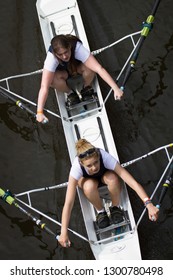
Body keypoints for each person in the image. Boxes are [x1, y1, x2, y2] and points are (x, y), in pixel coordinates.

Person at [58, 139, 159, 248]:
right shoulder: (76, 168)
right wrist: (64, 232)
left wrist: (148, 204)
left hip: (104, 176)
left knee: (113, 179)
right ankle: (100, 212)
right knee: (89, 186)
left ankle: (115, 208)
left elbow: (132, 182)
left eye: (96, 162)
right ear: (82, 163)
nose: (94, 167)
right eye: (89, 165)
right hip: (87, 181)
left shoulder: (104, 156)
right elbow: (68, 203)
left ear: (98, 156)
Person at [36, 34, 123, 123]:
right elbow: (44, 87)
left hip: (78, 68)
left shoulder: (77, 47)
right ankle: (70, 93)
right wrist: (39, 112)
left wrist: (115, 88)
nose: (64, 57)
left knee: (91, 67)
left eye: (66, 52)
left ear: (69, 47)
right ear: (55, 54)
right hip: (64, 74)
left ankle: (86, 87)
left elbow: (99, 69)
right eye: (60, 55)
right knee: (51, 81)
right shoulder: (51, 58)